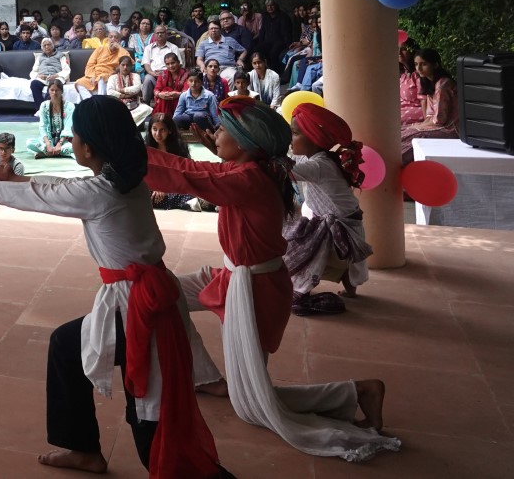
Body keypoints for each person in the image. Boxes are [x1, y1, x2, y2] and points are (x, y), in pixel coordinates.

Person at [0, 96, 229, 478]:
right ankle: (84, 449)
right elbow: (64, 186)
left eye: (74, 135)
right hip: (149, 298)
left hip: (138, 306)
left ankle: (110, 454)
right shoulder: (124, 179)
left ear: (88, 146)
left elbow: (54, 195)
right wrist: (9, 178)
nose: (71, 140)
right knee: (70, 349)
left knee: (148, 418)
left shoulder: (102, 193)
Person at [143, 97, 400, 462]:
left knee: (251, 402)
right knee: (160, 296)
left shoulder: (248, 177)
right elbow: (199, 170)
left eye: (222, 130)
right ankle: (204, 376)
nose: (216, 134)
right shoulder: (252, 170)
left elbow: (188, 176)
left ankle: (357, 392)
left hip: (254, 292)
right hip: (233, 278)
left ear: (247, 144)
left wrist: (130, 158)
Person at [285, 104, 373, 315]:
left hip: (341, 224)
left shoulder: (319, 166)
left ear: (314, 139)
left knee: (304, 251)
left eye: (295, 133)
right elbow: (289, 159)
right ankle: (350, 290)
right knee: (346, 262)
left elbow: (283, 170)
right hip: (345, 221)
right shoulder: (312, 158)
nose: (291, 139)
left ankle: (302, 290)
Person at [400, 48, 459, 163]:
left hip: (450, 129)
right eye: (416, 64)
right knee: (403, 130)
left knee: (413, 135)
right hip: (436, 124)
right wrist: (416, 125)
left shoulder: (443, 85)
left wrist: (417, 127)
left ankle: (395, 165)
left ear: (435, 65)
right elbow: (429, 116)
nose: (419, 68)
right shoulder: (428, 83)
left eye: (424, 64)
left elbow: (439, 120)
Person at [146, 114, 199, 212]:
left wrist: (165, 189)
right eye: (154, 129)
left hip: (173, 187)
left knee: (191, 188)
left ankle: (191, 201)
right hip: (154, 189)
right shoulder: (146, 149)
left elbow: (183, 173)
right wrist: (156, 188)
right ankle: (189, 203)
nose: (158, 134)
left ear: (169, 130)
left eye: (162, 130)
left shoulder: (178, 148)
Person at [73, 27, 131, 101]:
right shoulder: (100, 49)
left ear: (119, 41)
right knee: (79, 83)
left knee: (101, 78)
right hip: (95, 74)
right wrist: (91, 76)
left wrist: (119, 48)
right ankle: (91, 102)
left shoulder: (121, 51)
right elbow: (90, 64)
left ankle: (100, 101)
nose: (113, 39)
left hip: (110, 74)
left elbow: (129, 61)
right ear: (108, 39)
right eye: (111, 37)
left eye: (115, 37)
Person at [29, 79, 75, 159]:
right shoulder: (44, 105)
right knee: (29, 143)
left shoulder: (70, 106)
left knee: (75, 147)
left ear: (61, 91)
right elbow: (42, 126)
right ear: (48, 91)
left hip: (64, 140)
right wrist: (47, 144)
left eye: (57, 90)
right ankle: (55, 152)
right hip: (48, 139)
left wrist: (59, 144)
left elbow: (68, 127)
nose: (54, 93)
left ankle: (46, 153)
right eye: (52, 90)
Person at [106, 55, 151, 128]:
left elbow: (137, 88)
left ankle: (127, 124)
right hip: (118, 105)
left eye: (127, 65)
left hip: (134, 106)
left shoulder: (135, 76)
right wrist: (125, 96)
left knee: (146, 108)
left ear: (131, 66)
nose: (125, 67)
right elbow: (110, 92)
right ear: (118, 65)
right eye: (123, 65)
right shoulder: (113, 77)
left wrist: (121, 90)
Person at [29, 38, 72, 106]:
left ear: (52, 46)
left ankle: (48, 108)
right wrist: (38, 75)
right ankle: (40, 108)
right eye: (44, 45)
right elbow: (33, 71)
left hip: (56, 77)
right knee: (34, 84)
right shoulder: (40, 57)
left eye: (48, 45)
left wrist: (56, 76)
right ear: (42, 48)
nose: (47, 47)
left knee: (52, 87)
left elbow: (66, 70)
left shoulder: (60, 55)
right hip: (43, 78)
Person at [151, 53, 188, 117]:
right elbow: (156, 89)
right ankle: (165, 118)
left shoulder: (186, 75)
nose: (170, 66)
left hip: (180, 100)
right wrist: (160, 94)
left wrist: (178, 94)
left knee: (167, 91)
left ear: (178, 62)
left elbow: (187, 91)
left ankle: (164, 118)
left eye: (173, 63)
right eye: (167, 64)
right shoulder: (163, 75)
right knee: (165, 91)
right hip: (165, 100)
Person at [397, 39, 424, 124]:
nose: (399, 52)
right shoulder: (403, 73)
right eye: (397, 48)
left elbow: (425, 102)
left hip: (418, 110)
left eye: (404, 49)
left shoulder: (419, 75)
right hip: (403, 108)